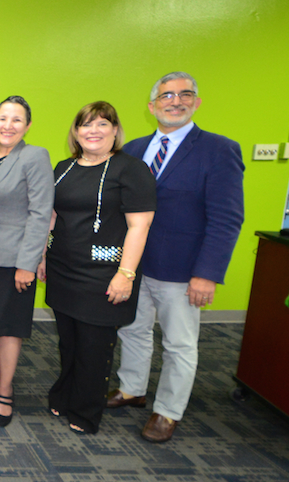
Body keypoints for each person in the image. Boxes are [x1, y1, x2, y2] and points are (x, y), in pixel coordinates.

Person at [107, 72, 245, 443]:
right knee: (132, 330)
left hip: (183, 269)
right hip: (133, 265)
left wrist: (207, 273)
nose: (176, 101)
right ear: (152, 106)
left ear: (197, 102)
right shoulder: (134, 149)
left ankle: (168, 411)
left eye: (185, 94)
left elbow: (227, 218)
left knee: (179, 344)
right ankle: (132, 388)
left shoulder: (219, 150)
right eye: (166, 96)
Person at [37, 101, 155, 435]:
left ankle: (87, 411)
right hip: (63, 267)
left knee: (94, 346)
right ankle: (65, 393)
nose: (93, 131)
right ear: (75, 132)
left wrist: (126, 273)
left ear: (115, 131)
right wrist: (42, 256)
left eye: (102, 124)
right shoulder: (63, 167)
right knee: (69, 341)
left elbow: (139, 226)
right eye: (86, 125)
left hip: (104, 273)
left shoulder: (130, 169)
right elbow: (53, 215)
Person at [0, 96, 54, 427]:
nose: (8, 125)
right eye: (3, 118)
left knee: (8, 327)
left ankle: (5, 389)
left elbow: (40, 212)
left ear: (27, 126)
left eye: (17, 120)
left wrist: (28, 263)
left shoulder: (34, 156)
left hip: (15, 258)